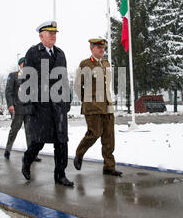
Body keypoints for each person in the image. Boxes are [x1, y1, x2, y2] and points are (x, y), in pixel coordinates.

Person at [21, 20, 74, 187]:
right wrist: (29, 104)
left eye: (55, 33)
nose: (53, 36)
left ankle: (60, 175)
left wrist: (67, 100)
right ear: (41, 35)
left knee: (61, 140)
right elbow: (27, 79)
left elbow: (64, 79)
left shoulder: (60, 54)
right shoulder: (33, 52)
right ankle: (27, 160)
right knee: (39, 140)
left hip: (58, 105)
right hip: (40, 105)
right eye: (50, 33)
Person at [73, 38, 122, 176]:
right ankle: (79, 154)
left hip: (107, 105)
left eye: (103, 48)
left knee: (109, 137)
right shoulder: (86, 64)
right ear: (91, 49)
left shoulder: (106, 63)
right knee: (94, 133)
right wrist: (86, 99)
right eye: (99, 47)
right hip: (93, 106)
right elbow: (77, 85)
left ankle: (109, 166)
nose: (102, 50)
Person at [4, 57, 41, 162]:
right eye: (24, 63)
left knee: (30, 132)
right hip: (18, 108)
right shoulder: (13, 75)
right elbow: (9, 91)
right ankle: (8, 149)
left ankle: (31, 154)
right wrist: (10, 105)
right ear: (20, 64)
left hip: (29, 109)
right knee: (14, 130)